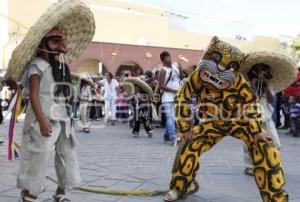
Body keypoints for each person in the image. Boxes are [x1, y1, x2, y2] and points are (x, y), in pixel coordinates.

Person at [163, 36, 289, 202]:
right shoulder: (195, 77)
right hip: (212, 123)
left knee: (265, 145)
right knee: (187, 145)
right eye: (215, 59)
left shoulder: (238, 81)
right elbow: (182, 98)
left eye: (229, 66)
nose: (218, 70)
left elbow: (251, 102)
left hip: (240, 121)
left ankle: (275, 197)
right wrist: (184, 129)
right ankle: (179, 187)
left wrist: (258, 130)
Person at [5, 0, 95, 201]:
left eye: (61, 41)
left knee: (67, 153)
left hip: (62, 118)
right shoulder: (37, 66)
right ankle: (29, 193)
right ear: (44, 44)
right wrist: (43, 121)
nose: (61, 46)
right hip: (42, 118)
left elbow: (64, 88)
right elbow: (34, 95)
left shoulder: (61, 65)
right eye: (55, 41)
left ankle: (60, 191)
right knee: (40, 154)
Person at [239, 51, 297, 175]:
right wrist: (252, 86)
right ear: (254, 69)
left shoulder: (269, 83)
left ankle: (270, 163)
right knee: (249, 142)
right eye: (259, 68)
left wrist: (265, 87)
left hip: (266, 117)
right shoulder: (246, 82)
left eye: (264, 69)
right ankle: (250, 166)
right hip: (250, 116)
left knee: (275, 142)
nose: (262, 71)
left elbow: (272, 100)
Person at [158, 51, 180, 144]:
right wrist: (174, 91)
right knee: (170, 117)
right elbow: (161, 86)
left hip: (176, 97)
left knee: (172, 117)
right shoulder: (163, 70)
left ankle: (166, 135)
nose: (169, 59)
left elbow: (181, 78)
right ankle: (173, 136)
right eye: (167, 58)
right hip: (167, 98)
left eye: (170, 57)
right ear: (163, 60)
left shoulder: (175, 68)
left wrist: (181, 69)